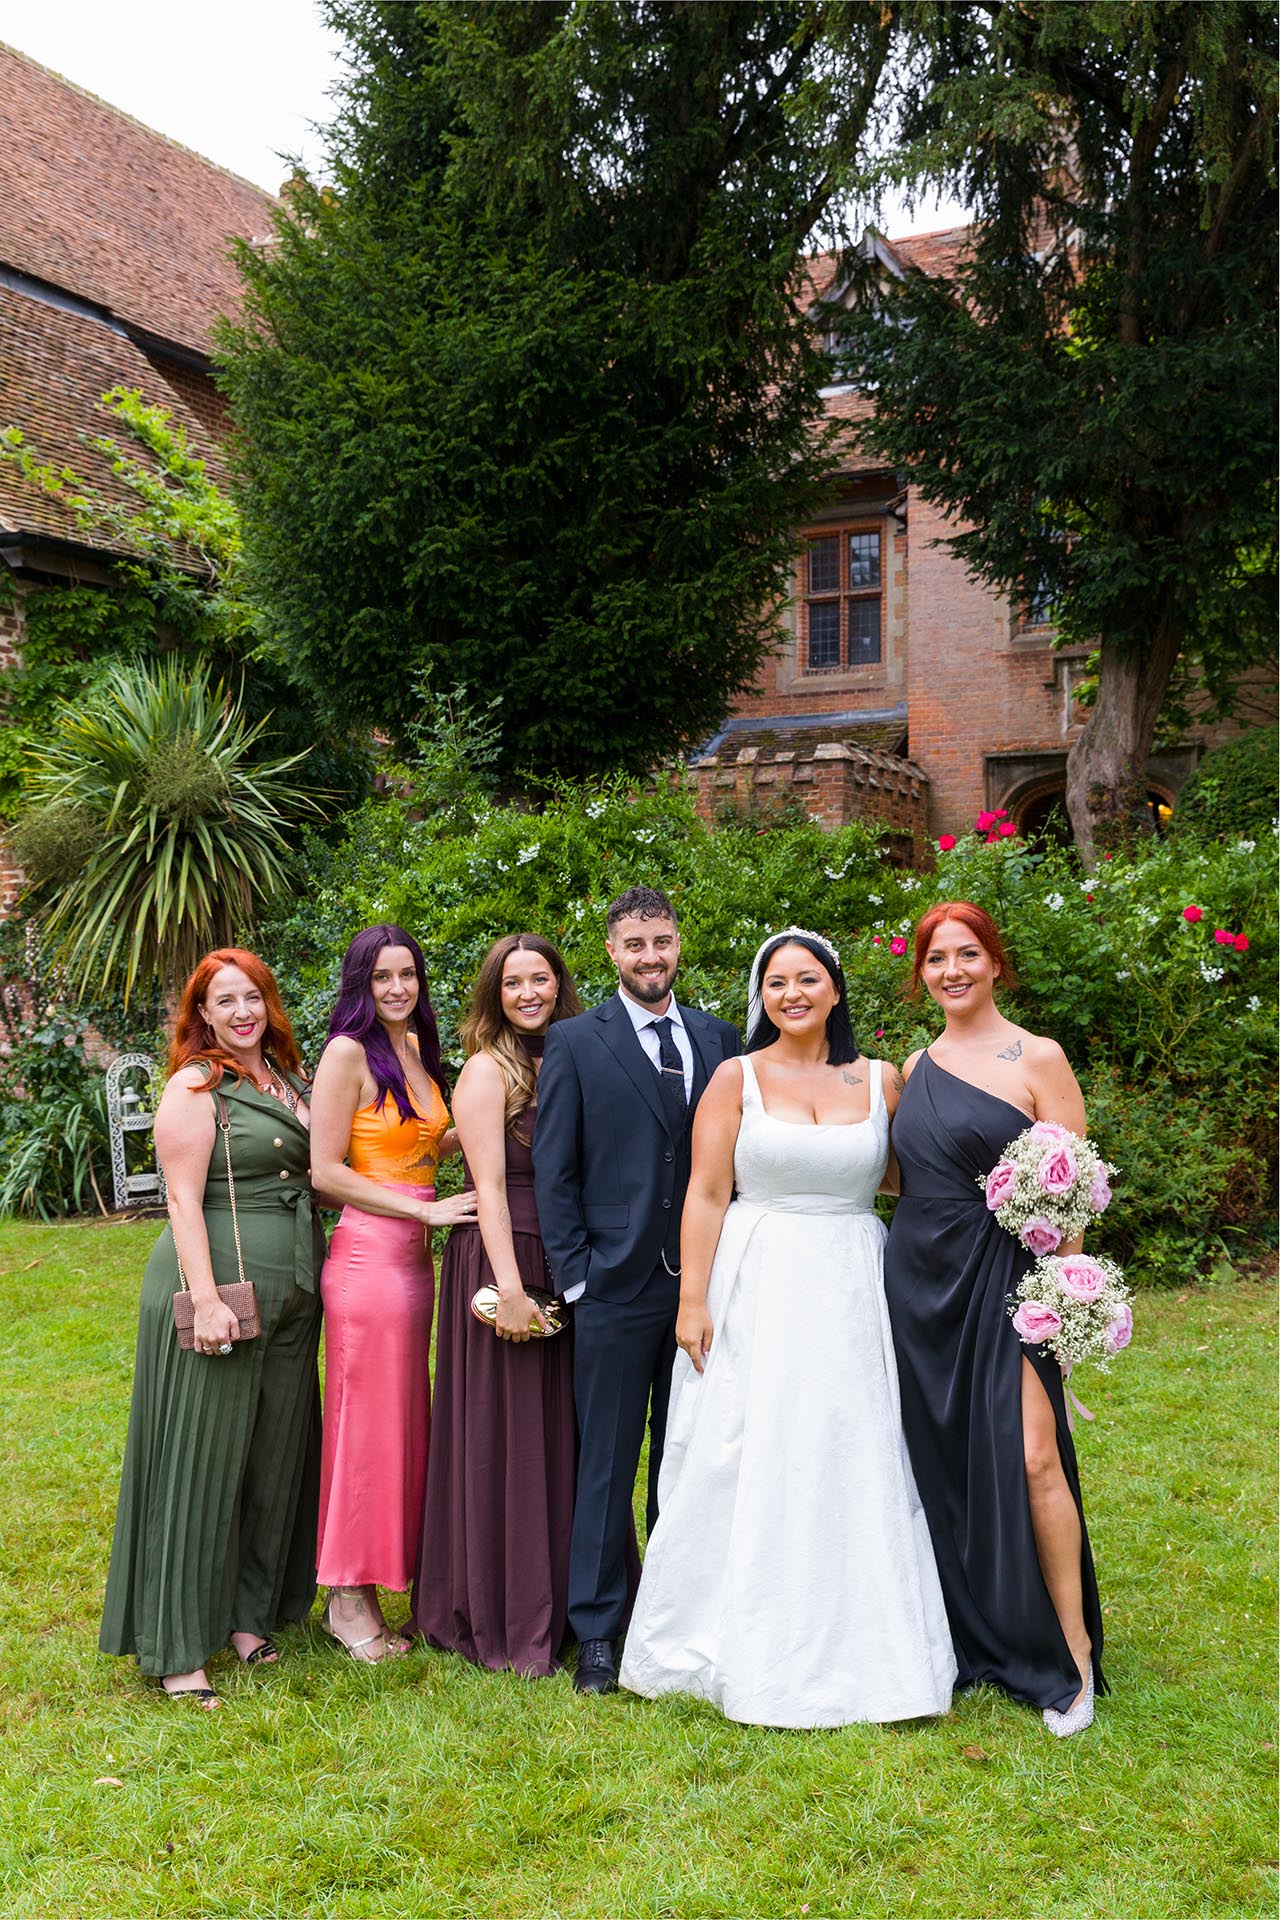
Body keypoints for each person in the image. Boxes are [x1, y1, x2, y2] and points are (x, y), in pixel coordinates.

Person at [619, 930, 956, 1727]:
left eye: (809, 979)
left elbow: (919, 1184)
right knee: (749, 1443)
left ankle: (869, 1642)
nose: (793, 993)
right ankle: (726, 1633)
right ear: (760, 995)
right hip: (758, 1276)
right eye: (777, 982)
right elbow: (705, 1194)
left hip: (850, 1280)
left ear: (836, 989)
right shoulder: (736, 1078)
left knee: (853, 1440)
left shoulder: (882, 1081)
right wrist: (692, 1301)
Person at [883, 900, 1106, 1736]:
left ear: (994, 962)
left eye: (967, 954)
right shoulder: (912, 1064)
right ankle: (974, 1635)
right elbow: (903, 1180)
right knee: (943, 1457)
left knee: (1033, 1455)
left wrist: (1061, 1297)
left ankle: (1073, 1657)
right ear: (921, 974)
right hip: (919, 1281)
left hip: (1009, 1279)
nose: (952, 971)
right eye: (936, 959)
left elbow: (1075, 1191)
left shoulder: (1037, 1057)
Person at [100, 949, 325, 1708]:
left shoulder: (290, 1080)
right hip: (220, 1289)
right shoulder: (196, 1085)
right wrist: (206, 1299)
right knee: (201, 1464)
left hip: (294, 1290)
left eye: (252, 997)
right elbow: (183, 1201)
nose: (241, 1012)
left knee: (273, 1459)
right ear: (201, 1014)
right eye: (223, 1001)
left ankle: (247, 1618)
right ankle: (176, 1648)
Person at [534, 886, 740, 1695]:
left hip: (704, 1289)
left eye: (662, 942)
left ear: (678, 944)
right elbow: (556, 1173)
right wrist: (577, 1275)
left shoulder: (722, 1040)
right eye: (635, 945)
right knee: (608, 1462)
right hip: (614, 1290)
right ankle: (596, 1633)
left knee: (688, 1457)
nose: (650, 957)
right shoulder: (576, 1042)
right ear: (611, 952)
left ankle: (675, 1614)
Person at [411, 934, 583, 1674]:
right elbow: (485, 1185)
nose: (527, 993)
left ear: (558, 984)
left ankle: (570, 1600)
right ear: (495, 994)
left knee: (559, 1434)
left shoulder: (573, 1056)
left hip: (565, 1257)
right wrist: (510, 1291)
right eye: (512, 983)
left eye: (539, 979)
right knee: (505, 1432)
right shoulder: (486, 1071)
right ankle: (501, 1608)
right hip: (503, 1255)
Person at [309, 924, 474, 1662]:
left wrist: (472, 1130)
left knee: (401, 1424)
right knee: (363, 1431)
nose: (399, 988)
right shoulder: (348, 1053)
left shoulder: (413, 1051)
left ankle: (381, 1584)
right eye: (382, 978)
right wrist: (424, 1209)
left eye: (409, 974)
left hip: (413, 1268)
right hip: (369, 1261)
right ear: (361, 985)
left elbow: (413, 1143)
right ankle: (345, 1599)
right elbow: (327, 1170)